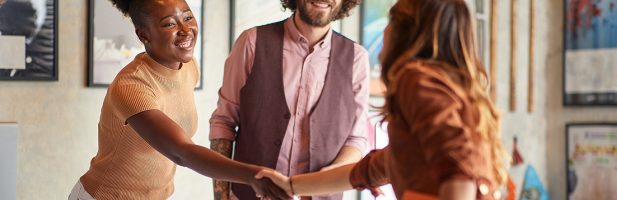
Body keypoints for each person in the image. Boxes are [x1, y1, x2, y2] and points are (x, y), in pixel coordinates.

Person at [255, 0, 510, 199]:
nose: (385, 30)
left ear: (406, 32)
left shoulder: (416, 79)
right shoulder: (451, 96)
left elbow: (459, 169)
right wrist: (290, 185)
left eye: (391, 20)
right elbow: (366, 171)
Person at [69, 0, 291, 199]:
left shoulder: (189, 67)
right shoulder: (131, 86)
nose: (186, 31)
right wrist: (253, 175)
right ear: (143, 35)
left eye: (187, 17)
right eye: (169, 24)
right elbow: (181, 151)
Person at [208, 0, 370, 199]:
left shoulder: (357, 59)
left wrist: (332, 173)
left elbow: (356, 139)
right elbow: (224, 122)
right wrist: (221, 196)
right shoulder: (251, 42)